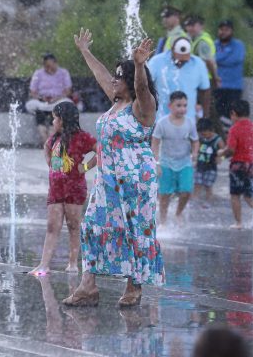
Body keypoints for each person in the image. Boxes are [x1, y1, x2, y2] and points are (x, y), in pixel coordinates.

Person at [63, 28, 164, 308]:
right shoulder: (116, 101)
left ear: (130, 81)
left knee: (134, 229)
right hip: (108, 179)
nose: (114, 80)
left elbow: (142, 87)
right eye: (116, 75)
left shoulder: (143, 106)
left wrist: (140, 66)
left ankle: (134, 284)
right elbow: (100, 75)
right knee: (93, 225)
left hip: (135, 180)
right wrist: (85, 51)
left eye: (120, 76)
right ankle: (88, 286)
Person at [29, 101, 96, 277]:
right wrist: (46, 151)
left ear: (63, 120)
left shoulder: (83, 137)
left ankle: (73, 263)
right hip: (56, 189)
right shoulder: (53, 139)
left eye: (55, 119)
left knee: (73, 226)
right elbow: (52, 164)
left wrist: (85, 167)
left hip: (74, 189)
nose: (53, 122)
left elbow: (100, 150)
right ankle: (44, 265)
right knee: (52, 226)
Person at [152, 91, 199, 227]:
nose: (182, 109)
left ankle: (178, 213)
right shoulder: (162, 123)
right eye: (179, 105)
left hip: (185, 163)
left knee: (186, 191)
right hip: (166, 163)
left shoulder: (190, 123)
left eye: (185, 106)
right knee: (164, 194)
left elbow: (195, 141)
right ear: (170, 106)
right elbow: (155, 142)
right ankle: (163, 220)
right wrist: (156, 162)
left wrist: (195, 154)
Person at [219, 100, 253, 230]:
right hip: (251, 165)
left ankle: (238, 222)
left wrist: (221, 153)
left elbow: (231, 149)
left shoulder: (234, 129)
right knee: (248, 195)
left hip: (238, 166)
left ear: (233, 114)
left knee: (235, 195)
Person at [147, 37, 211, 121]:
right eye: (178, 59)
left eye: (184, 60)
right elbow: (145, 86)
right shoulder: (156, 62)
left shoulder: (198, 64)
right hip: (160, 119)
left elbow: (205, 91)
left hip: (188, 121)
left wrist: (205, 117)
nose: (180, 62)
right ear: (172, 50)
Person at [24, 53, 73, 144]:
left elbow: (68, 91)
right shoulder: (38, 73)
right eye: (46, 66)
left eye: (50, 66)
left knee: (67, 103)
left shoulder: (63, 73)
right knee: (31, 104)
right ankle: (45, 135)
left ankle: (51, 133)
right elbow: (33, 91)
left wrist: (57, 98)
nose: (49, 69)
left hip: (58, 101)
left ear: (55, 63)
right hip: (42, 102)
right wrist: (41, 98)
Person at [214, 20, 246, 131]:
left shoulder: (238, 45)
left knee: (233, 113)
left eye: (226, 30)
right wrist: (226, 54)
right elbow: (211, 59)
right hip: (218, 86)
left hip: (234, 87)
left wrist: (219, 58)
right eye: (221, 29)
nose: (223, 32)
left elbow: (235, 59)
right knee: (218, 114)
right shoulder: (214, 44)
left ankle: (232, 137)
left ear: (231, 31)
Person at [184, 15, 220, 89]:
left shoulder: (202, 42)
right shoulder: (194, 39)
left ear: (201, 26)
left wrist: (215, 78)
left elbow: (209, 61)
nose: (190, 28)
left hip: (204, 78)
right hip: (199, 77)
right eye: (188, 25)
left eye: (193, 25)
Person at [194, 118, 224, 205]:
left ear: (211, 130)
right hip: (199, 166)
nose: (204, 136)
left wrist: (221, 158)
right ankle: (194, 203)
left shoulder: (217, 139)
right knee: (197, 184)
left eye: (205, 133)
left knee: (208, 186)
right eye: (201, 133)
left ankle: (208, 202)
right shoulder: (200, 138)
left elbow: (224, 151)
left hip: (211, 167)